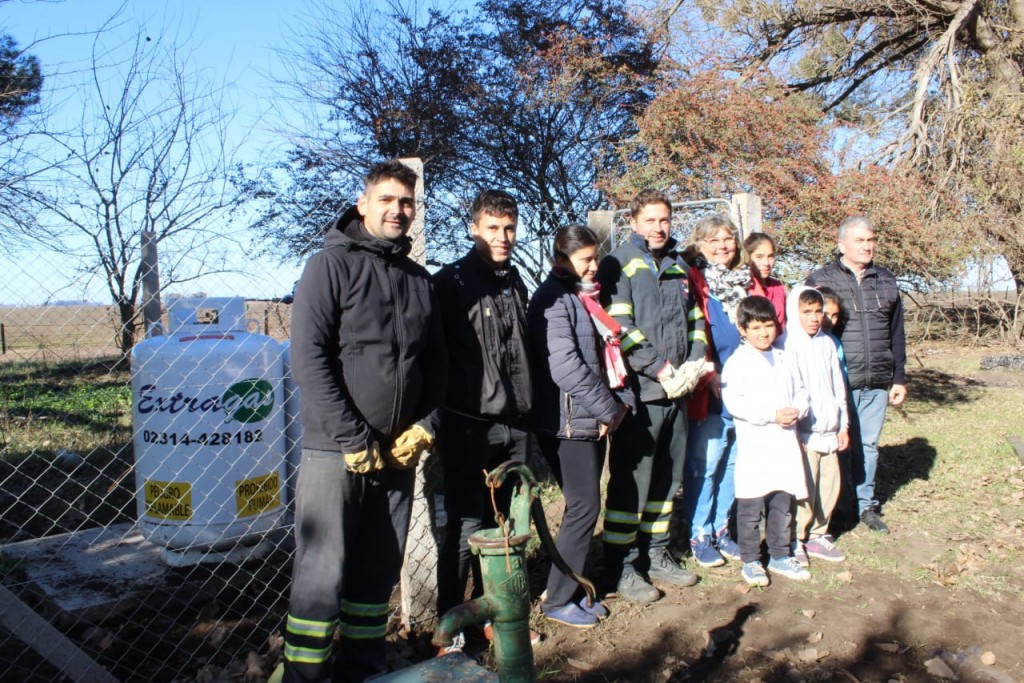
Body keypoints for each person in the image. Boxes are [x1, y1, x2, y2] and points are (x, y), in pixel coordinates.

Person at [283, 160, 447, 683]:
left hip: (397, 452)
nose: (398, 210)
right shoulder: (329, 267)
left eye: (407, 203)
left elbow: (439, 364)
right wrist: (352, 437)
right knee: (321, 577)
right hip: (336, 452)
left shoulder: (420, 280)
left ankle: (364, 669)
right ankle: (304, 676)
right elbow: (308, 359)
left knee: (377, 574)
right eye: (387, 200)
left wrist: (427, 425)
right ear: (363, 205)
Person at [597, 189, 708, 603]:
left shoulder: (679, 265)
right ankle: (622, 566)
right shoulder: (620, 263)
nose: (659, 228)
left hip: (679, 390)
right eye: (651, 220)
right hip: (641, 394)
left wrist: (694, 363)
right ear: (634, 222)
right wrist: (661, 368)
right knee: (632, 482)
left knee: (667, 478)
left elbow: (695, 318)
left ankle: (656, 555)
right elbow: (619, 325)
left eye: (665, 220)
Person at [434, 189, 535, 621]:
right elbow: (434, 357)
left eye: (509, 227)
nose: (502, 236)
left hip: (517, 424)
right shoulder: (449, 283)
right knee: (466, 526)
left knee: (510, 527)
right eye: (493, 227)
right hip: (468, 426)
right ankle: (453, 621)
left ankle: (500, 615)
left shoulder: (515, 282)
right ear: (474, 228)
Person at [527, 225, 631, 628]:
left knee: (585, 507)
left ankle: (571, 587)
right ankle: (556, 600)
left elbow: (603, 358)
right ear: (561, 260)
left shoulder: (582, 298)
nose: (594, 266)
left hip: (587, 416)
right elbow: (566, 367)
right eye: (585, 259)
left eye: (595, 257)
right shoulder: (553, 300)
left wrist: (613, 407)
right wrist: (610, 411)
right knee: (584, 507)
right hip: (567, 422)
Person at [806, 216, 907, 533]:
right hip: (836, 380)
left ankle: (865, 507)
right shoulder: (821, 279)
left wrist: (899, 377)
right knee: (833, 444)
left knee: (869, 447)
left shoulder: (886, 280)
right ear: (842, 244)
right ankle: (830, 507)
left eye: (870, 240)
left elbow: (897, 332)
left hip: (876, 379)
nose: (867, 246)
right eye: (860, 240)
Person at [721, 295, 810, 587]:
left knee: (782, 503)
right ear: (743, 329)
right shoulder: (737, 363)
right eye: (756, 327)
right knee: (750, 508)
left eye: (768, 326)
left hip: (785, 443)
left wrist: (798, 409)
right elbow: (736, 404)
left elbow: (801, 392)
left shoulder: (786, 358)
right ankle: (750, 560)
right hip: (756, 444)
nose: (764, 333)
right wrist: (772, 415)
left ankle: (780, 555)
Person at [680, 215, 751, 568]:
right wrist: (709, 373)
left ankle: (722, 528)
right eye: (714, 241)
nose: (723, 246)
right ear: (700, 244)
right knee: (704, 466)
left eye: (728, 239)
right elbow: (692, 331)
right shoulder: (695, 280)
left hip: (746, 389)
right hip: (711, 389)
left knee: (734, 466)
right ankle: (698, 532)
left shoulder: (747, 282)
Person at [782, 286, 849, 566]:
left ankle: (819, 534)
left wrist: (843, 424)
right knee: (804, 489)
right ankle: (796, 538)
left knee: (829, 485)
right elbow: (789, 390)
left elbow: (838, 386)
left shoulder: (828, 344)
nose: (813, 317)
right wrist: (794, 431)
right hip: (805, 432)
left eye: (817, 311)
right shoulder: (786, 345)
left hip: (830, 430)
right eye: (806, 311)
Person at [744, 232, 787, 330]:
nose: (766, 263)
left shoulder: (777, 287)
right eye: (759, 257)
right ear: (747, 258)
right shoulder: (743, 288)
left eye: (770, 256)